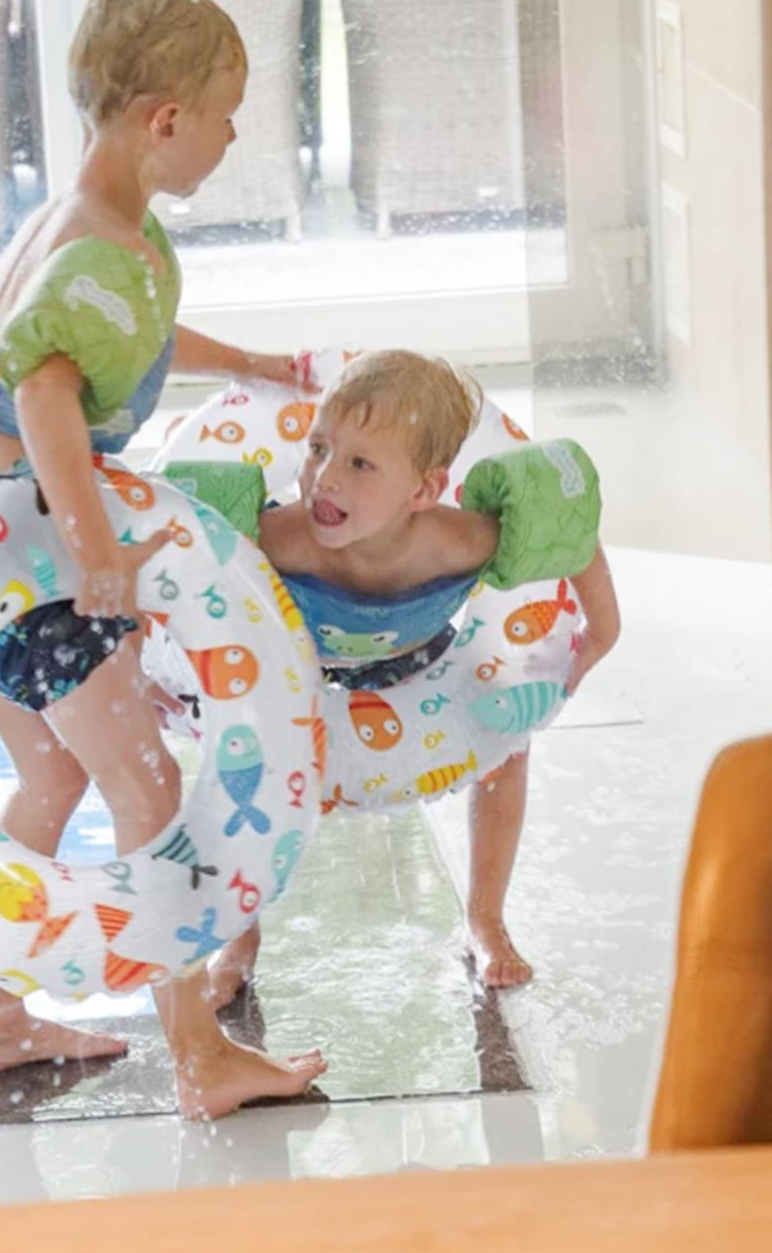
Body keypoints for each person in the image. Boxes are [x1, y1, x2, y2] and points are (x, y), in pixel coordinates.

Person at [0, 0, 324, 1119]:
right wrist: (96, 553)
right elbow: (48, 398)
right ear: (163, 121)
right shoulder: (99, 251)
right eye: (225, 112)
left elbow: (126, 341)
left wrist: (245, 364)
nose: (234, 132)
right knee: (148, 786)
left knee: (51, 772)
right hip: (28, 562)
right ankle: (200, 1056)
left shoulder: (93, 228)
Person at [241, 350, 621, 991]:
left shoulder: (458, 539)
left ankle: (485, 918)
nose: (324, 478)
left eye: (360, 463)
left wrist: (601, 633)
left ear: (424, 490)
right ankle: (238, 937)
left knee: (507, 747)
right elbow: (188, 563)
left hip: (418, 656)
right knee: (245, 760)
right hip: (299, 660)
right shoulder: (277, 535)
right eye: (318, 448)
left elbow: (571, 536)